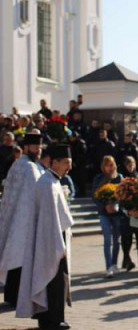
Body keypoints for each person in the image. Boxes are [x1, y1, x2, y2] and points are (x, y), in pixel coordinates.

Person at [16, 144, 74, 330]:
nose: (69, 168)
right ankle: (53, 320)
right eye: (65, 163)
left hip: (52, 240)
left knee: (56, 281)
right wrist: (60, 247)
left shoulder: (53, 181)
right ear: (53, 162)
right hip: (51, 242)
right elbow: (49, 222)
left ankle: (53, 317)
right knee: (53, 281)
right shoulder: (47, 184)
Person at [0, 134, 43, 307]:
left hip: (14, 217)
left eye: (39, 148)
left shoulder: (18, 164)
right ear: (26, 148)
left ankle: (11, 295)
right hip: (24, 220)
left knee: (14, 257)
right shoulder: (30, 167)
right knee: (22, 259)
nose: (38, 151)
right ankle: (17, 295)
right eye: (35, 147)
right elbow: (36, 193)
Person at [92, 156, 123, 278]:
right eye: (108, 165)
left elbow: (124, 194)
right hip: (103, 213)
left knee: (116, 240)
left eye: (112, 165)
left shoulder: (119, 177)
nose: (110, 167)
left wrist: (117, 204)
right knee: (107, 239)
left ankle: (115, 264)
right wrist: (105, 205)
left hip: (117, 213)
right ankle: (108, 266)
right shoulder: (99, 178)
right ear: (103, 167)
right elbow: (95, 196)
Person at [120, 156, 138, 272]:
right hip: (125, 211)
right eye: (128, 165)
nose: (130, 167)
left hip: (136, 211)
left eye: (132, 164)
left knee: (135, 236)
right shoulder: (122, 177)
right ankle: (126, 258)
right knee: (126, 237)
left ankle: (126, 260)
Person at [68, 132, 87, 198]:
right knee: (75, 178)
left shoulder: (81, 143)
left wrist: (76, 162)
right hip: (73, 164)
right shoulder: (70, 143)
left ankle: (82, 192)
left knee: (80, 179)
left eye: (71, 137)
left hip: (80, 164)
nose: (70, 138)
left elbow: (82, 155)